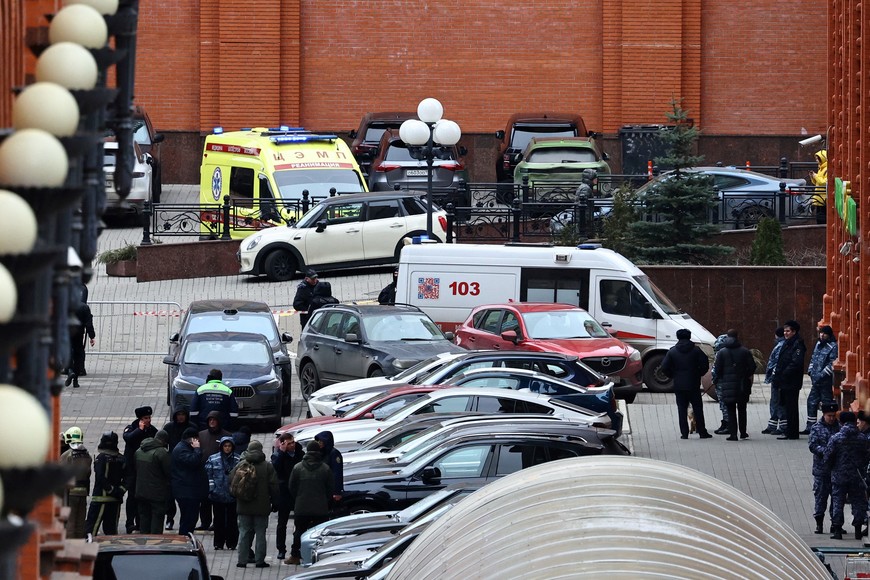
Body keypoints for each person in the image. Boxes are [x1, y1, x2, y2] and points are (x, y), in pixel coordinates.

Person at [232, 440, 278, 569]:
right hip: (261, 506)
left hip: (243, 505)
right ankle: (259, 561)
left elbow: (231, 481)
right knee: (260, 534)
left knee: (244, 533)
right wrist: (275, 502)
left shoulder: (241, 464)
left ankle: (242, 560)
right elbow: (274, 486)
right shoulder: (267, 466)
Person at [660, 328, 713, 440]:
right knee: (698, 408)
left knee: (681, 408)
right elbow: (705, 364)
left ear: (678, 337)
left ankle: (684, 433)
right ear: (689, 337)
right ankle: (702, 432)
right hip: (693, 383)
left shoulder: (672, 351)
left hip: (679, 384)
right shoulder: (696, 350)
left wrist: (673, 375)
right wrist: (699, 373)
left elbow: (664, 367)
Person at [286, 441, 333, 567]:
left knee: (299, 532)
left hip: (302, 506)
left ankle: (295, 555)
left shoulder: (298, 468)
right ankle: (320, 556)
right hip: (320, 508)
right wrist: (324, 499)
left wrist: (299, 497)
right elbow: (330, 489)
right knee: (320, 534)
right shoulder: (325, 468)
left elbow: (291, 487)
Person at [824, 411, 870, 539]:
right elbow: (867, 456)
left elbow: (828, 457)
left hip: (839, 476)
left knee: (838, 502)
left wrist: (832, 468)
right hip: (857, 476)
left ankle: (837, 530)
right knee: (858, 502)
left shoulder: (836, 438)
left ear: (841, 422)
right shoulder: (862, 438)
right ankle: (858, 530)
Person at [712, 329, 757, 441]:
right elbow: (752, 367)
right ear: (737, 337)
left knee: (730, 410)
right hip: (742, 384)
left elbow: (717, 369)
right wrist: (745, 374)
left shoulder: (722, 352)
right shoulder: (745, 351)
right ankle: (743, 432)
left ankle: (733, 434)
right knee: (742, 409)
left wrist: (722, 377)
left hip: (727, 385)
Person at [84, 432, 126, 540]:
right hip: (115, 500)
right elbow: (129, 477)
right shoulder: (121, 459)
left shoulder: (101, 458)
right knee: (111, 531)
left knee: (91, 530)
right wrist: (120, 490)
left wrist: (110, 490)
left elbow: (100, 477)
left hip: (99, 500)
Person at [122, 405, 157, 533]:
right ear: (140, 419)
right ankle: (129, 523)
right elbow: (128, 438)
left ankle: (140, 523)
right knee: (132, 496)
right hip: (132, 469)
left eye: (149, 417)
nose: (148, 420)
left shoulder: (152, 430)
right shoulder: (132, 428)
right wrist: (140, 430)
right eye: (145, 418)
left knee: (142, 497)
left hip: (145, 470)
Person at [772, 320, 808, 440]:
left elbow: (795, 363)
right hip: (785, 381)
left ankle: (792, 433)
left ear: (794, 332)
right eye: (785, 331)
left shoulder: (797, 344)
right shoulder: (788, 343)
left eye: (788, 331)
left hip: (791, 381)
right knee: (787, 407)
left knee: (791, 407)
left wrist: (784, 374)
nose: (785, 333)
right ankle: (790, 431)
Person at [196, 410, 232, 531]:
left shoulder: (226, 435)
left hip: (220, 473)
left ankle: (217, 523)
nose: (212, 422)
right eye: (210, 420)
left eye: (214, 420)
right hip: (204, 472)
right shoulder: (201, 435)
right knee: (204, 500)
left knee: (218, 500)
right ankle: (205, 521)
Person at [272, 432, 304, 561]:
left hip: (297, 492)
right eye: (289, 443)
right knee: (282, 523)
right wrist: (282, 453)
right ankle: (281, 549)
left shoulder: (300, 454)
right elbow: (276, 469)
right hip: (284, 493)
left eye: (293, 442)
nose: (292, 445)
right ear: (283, 444)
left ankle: (296, 549)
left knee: (299, 523)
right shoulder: (277, 455)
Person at [205, 436, 241, 551]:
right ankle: (218, 543)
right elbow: (209, 475)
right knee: (218, 521)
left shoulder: (238, 459)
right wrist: (212, 490)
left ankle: (232, 543)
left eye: (229, 446)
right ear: (221, 447)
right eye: (225, 446)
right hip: (218, 496)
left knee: (232, 521)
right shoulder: (213, 459)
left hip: (232, 496)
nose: (227, 448)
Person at [809, 402, 840, 534]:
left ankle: (836, 523)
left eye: (833, 416)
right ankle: (819, 523)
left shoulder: (839, 427)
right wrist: (826, 451)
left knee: (836, 498)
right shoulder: (816, 428)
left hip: (836, 469)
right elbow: (812, 446)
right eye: (829, 416)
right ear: (824, 415)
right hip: (821, 470)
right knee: (821, 497)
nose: (832, 418)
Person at [170, 427, 208, 536]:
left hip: (190, 491)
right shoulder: (182, 450)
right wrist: (197, 449)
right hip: (186, 491)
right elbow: (193, 461)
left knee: (190, 518)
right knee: (189, 518)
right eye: (196, 439)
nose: (198, 441)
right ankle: (184, 540)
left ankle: (186, 538)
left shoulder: (184, 448)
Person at [160, 405, 192, 530]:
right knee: (170, 495)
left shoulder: (191, 428)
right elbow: (163, 443)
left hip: (186, 466)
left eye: (183, 414)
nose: (180, 417)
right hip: (171, 465)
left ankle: (185, 519)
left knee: (185, 496)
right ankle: (170, 518)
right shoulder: (169, 428)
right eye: (178, 415)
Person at [802, 325, 838, 434]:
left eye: (824, 333)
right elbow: (813, 358)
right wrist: (810, 371)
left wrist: (821, 375)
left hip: (825, 382)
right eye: (821, 333)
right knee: (811, 402)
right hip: (816, 381)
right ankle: (810, 427)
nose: (822, 335)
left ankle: (828, 427)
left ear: (829, 335)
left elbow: (832, 363)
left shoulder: (833, 346)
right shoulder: (818, 344)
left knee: (827, 404)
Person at [134, 429, 171, 534]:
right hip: (157, 495)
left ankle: (143, 545)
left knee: (144, 521)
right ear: (164, 441)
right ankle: (154, 546)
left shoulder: (139, 451)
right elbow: (169, 472)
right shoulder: (162, 453)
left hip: (141, 492)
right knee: (157, 523)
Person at [59, 426, 92, 539]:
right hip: (82, 493)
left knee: (70, 522)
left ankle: (70, 548)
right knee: (80, 522)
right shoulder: (87, 455)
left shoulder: (67, 455)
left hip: (70, 493)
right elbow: (88, 474)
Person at [65, 285, 96, 389]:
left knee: (68, 352)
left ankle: (70, 371)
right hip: (79, 334)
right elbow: (89, 324)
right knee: (79, 355)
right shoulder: (85, 307)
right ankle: (76, 379)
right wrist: (92, 336)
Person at [762, 327, 787, 435]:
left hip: (778, 379)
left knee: (778, 401)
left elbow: (777, 363)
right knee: (776, 401)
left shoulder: (781, 346)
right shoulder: (782, 345)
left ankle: (781, 426)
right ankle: (773, 424)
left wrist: (773, 376)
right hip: (777, 378)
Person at [314, 431, 344, 506]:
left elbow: (337, 473)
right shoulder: (321, 453)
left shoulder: (334, 453)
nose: (319, 443)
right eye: (318, 441)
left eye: (321, 441)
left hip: (330, 489)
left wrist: (337, 491)